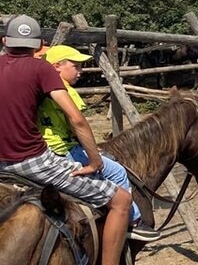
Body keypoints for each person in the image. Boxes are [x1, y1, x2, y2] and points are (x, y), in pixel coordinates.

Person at [0, 16, 148, 265]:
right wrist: (94, 162)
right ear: (39, 45)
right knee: (119, 200)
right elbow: (77, 119)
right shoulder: (41, 69)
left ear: (5, 41)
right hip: (31, 161)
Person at [36, 45, 158, 240]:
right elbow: (77, 125)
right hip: (64, 150)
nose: (80, 71)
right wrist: (92, 153)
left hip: (43, 148)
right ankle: (133, 221)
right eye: (76, 66)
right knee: (117, 171)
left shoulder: (40, 89)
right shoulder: (66, 91)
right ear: (57, 66)